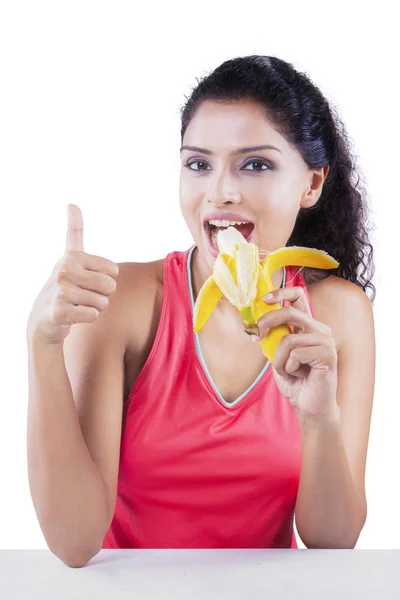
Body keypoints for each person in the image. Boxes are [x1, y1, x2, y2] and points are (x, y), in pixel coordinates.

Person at [26, 55, 376, 567]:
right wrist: (42, 343)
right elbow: (75, 542)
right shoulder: (118, 301)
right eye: (199, 163)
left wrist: (318, 418)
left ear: (313, 184)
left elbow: (332, 541)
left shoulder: (340, 316)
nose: (220, 192)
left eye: (255, 164)